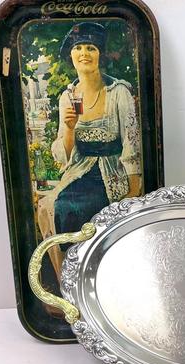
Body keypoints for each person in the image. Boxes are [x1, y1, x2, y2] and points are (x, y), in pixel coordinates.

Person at [38, 22, 142, 279]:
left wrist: (133, 189)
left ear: (100, 54)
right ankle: (70, 279)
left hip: (112, 171)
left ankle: (102, 275)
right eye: (78, 48)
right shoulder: (68, 96)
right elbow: (64, 155)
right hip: (80, 170)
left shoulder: (118, 92)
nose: (84, 53)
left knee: (89, 210)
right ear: (71, 55)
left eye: (91, 48)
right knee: (52, 206)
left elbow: (132, 142)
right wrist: (69, 128)